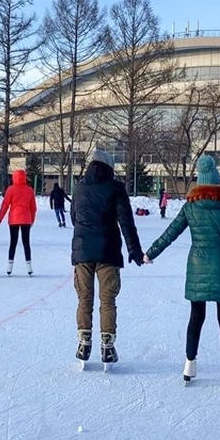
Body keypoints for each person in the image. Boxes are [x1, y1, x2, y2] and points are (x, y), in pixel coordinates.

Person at [143, 155, 220, 387]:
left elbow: (170, 233)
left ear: (200, 182)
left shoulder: (190, 207)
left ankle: (189, 364)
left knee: (196, 316)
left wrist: (150, 253)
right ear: (218, 181)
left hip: (197, 267)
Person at [71, 149, 144, 369]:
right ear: (110, 167)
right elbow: (126, 222)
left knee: (85, 298)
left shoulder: (80, 187)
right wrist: (134, 250)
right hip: (108, 251)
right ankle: (107, 347)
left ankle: (84, 343)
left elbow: (74, 217)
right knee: (107, 300)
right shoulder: (115, 188)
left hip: (82, 251)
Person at [0, 169, 37, 275]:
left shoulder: (11, 190)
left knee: (13, 242)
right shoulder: (29, 190)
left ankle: (9, 267)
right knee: (26, 243)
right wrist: (32, 220)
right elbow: (33, 207)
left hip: (14, 219)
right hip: (26, 219)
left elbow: (5, 206)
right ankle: (29, 267)